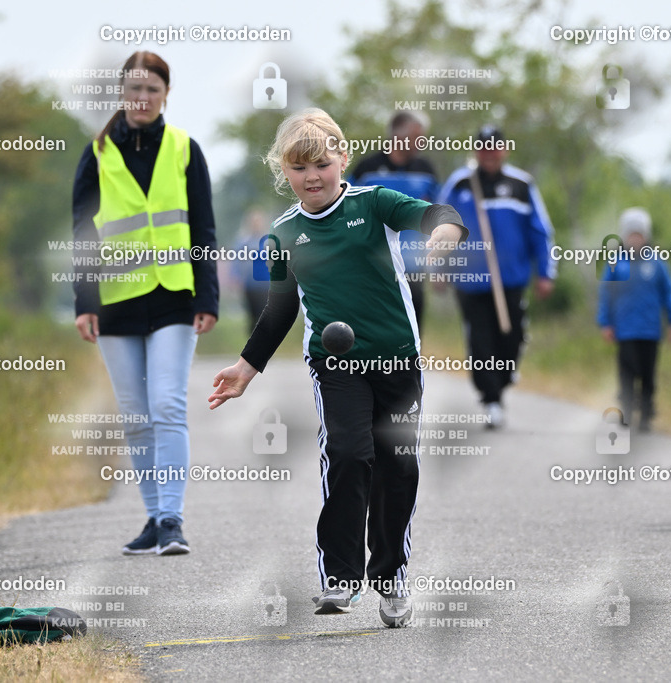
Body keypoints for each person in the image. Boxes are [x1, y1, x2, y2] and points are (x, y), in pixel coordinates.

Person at [207, 108, 466, 628]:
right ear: (287, 174)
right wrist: (245, 367)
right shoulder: (282, 235)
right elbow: (280, 309)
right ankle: (341, 578)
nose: (313, 177)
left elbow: (441, 216)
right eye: (300, 169)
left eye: (322, 163)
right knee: (348, 454)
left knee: (399, 468)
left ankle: (390, 575)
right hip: (337, 365)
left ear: (342, 159)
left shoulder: (374, 203)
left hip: (397, 360)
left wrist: (442, 237)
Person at [71, 51, 219, 554]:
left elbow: (203, 224)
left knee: (167, 405)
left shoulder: (185, 149)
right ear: (122, 92)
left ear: (165, 94)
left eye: (152, 89)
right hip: (115, 304)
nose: (142, 98)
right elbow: (82, 233)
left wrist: (208, 295)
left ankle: (173, 519)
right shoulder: (96, 154)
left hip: (174, 295)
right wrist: (83, 303)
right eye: (134, 89)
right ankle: (154, 518)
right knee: (135, 416)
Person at [436, 125, 556, 428]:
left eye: (495, 147)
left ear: (504, 150)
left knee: (512, 335)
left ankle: (503, 378)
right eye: (484, 147)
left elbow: (540, 230)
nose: (489, 153)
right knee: (480, 339)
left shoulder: (521, 184)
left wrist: (545, 272)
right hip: (470, 280)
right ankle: (491, 400)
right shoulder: (460, 183)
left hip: (511, 279)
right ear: (477, 151)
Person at [597, 208, 671, 433]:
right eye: (631, 235)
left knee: (648, 374)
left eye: (639, 235)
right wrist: (605, 322)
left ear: (646, 236)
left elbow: (668, 293)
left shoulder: (656, 263)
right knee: (626, 372)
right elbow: (606, 293)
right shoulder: (616, 263)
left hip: (650, 330)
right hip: (625, 330)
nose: (635, 239)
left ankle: (646, 414)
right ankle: (625, 409)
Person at [350, 112, 439, 327]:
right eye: (418, 136)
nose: (423, 142)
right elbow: (344, 207)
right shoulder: (366, 169)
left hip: (413, 265)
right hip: (373, 262)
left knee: (412, 322)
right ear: (398, 135)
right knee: (375, 323)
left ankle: (411, 361)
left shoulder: (425, 170)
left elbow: (441, 214)